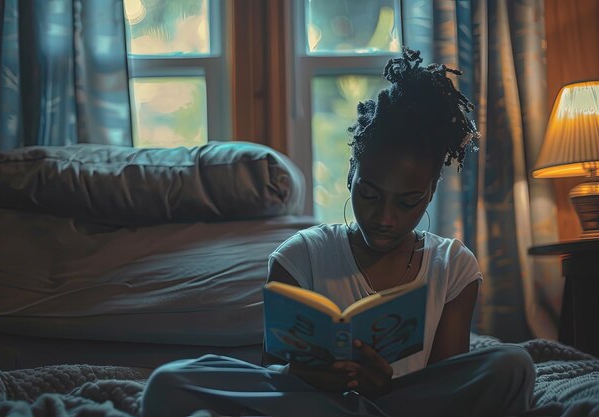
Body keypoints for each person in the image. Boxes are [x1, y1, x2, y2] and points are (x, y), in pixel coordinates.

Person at [141, 47, 535, 417]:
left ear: (431, 191)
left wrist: (382, 387)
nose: (385, 217)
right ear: (351, 175)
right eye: (369, 194)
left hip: (404, 406)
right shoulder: (300, 256)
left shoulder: (454, 266)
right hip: (311, 403)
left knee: (512, 364)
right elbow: (273, 372)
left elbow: (449, 388)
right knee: (169, 382)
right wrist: (305, 377)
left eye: (407, 202)